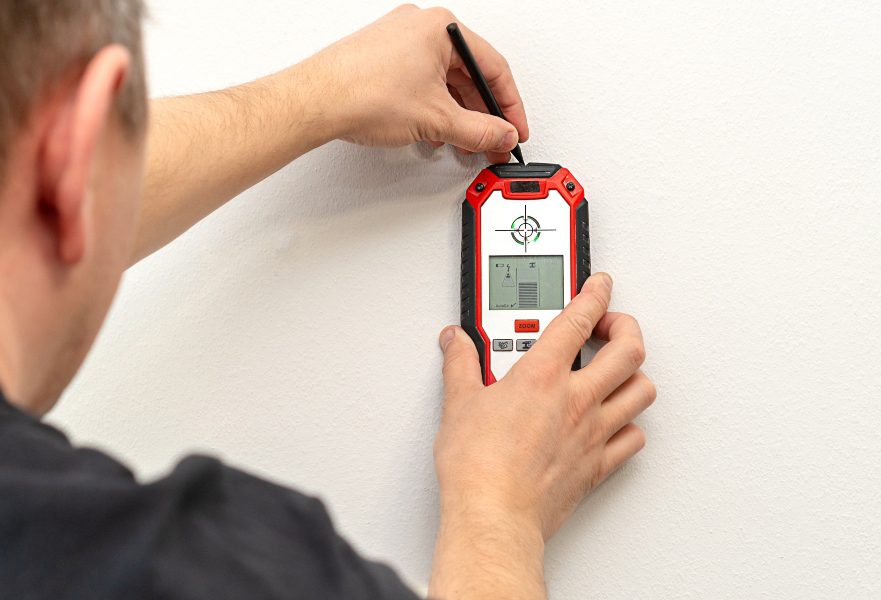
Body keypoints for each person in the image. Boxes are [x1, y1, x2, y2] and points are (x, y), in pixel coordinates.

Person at [0, 2, 656, 599]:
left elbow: (70, 190)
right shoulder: (198, 574)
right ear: (72, 149)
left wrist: (320, 97)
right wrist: (499, 515)